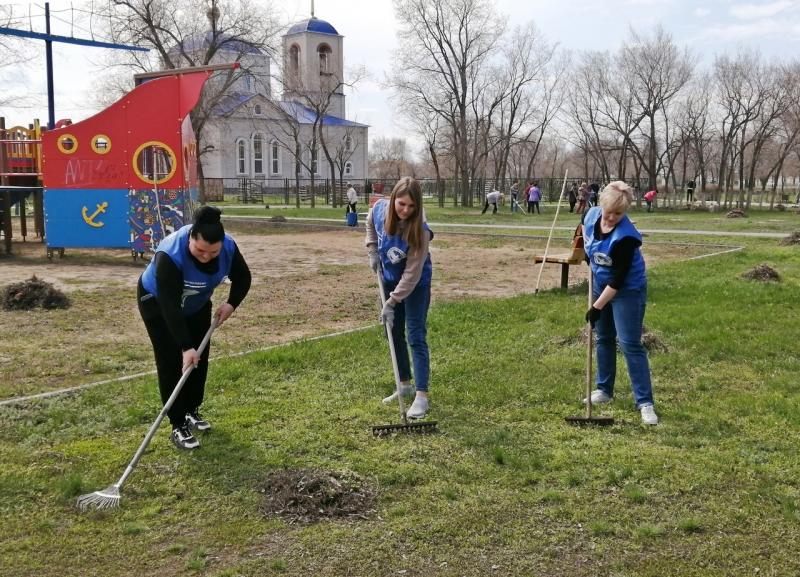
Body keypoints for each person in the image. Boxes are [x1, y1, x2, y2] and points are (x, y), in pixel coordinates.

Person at [138, 206, 252, 449]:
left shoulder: (228, 248)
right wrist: (185, 345)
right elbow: (169, 305)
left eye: (213, 252)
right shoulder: (170, 254)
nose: (206, 256)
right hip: (159, 306)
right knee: (171, 361)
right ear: (190, 237)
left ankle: (191, 409)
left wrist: (231, 304)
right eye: (200, 250)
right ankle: (177, 423)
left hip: (197, 304)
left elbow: (243, 277)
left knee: (199, 358)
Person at [582, 181, 658, 425]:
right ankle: (604, 389)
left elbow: (618, 280)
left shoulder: (626, 237)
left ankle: (645, 403)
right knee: (603, 338)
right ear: (601, 206)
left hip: (627, 290)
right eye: (609, 212)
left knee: (629, 343)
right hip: (599, 283)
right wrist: (586, 252)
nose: (613, 217)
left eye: (619, 213)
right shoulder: (591, 213)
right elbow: (583, 231)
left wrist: (596, 307)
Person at [366, 177, 433, 419]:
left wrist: (392, 302)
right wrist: (372, 249)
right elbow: (370, 223)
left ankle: (422, 397)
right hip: (389, 278)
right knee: (392, 332)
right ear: (393, 200)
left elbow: (412, 274)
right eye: (401, 204)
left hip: (416, 285)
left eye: (412, 206)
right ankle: (404, 384)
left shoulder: (420, 231)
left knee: (415, 335)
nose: (405, 210)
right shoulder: (380, 208)